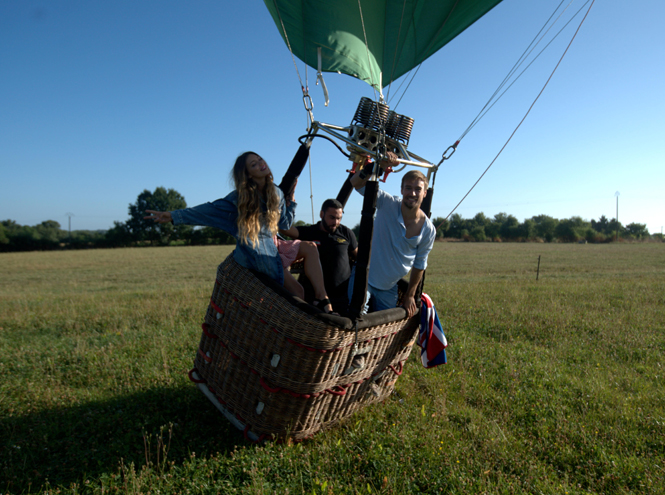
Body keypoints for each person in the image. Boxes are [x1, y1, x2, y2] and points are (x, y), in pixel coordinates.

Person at [145, 151, 334, 313]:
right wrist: (172, 216)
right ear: (248, 175)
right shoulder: (239, 200)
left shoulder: (275, 192)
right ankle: (294, 328)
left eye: (260, 159)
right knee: (298, 291)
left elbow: (284, 223)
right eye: (254, 164)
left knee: (310, 247)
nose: (261, 164)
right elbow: (208, 210)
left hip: (275, 243)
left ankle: (321, 297)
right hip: (258, 253)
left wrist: (290, 202)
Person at [349, 153, 436, 317]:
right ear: (402, 189)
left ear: (425, 193)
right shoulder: (387, 203)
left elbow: (420, 264)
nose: (413, 193)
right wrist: (378, 166)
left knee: (385, 328)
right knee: (356, 319)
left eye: (418, 189)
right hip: (364, 279)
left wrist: (410, 295)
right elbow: (356, 183)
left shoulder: (428, 229)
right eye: (408, 188)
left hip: (390, 286)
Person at [280, 198, 358, 315]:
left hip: (342, 298)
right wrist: (289, 205)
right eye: (332, 217)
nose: (336, 222)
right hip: (314, 298)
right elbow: (285, 230)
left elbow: (359, 258)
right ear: (322, 214)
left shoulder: (346, 233)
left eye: (339, 218)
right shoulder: (310, 232)